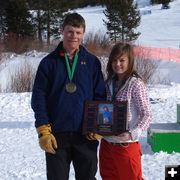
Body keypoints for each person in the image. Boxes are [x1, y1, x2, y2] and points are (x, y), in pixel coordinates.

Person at [31, 12, 106, 180]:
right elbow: (39, 98)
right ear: (62, 31)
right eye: (70, 31)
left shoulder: (92, 62)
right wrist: (43, 130)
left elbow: (100, 95)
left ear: (83, 34)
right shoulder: (48, 63)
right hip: (56, 135)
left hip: (86, 134)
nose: (74, 36)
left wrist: (99, 125)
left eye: (78, 32)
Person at [99, 42, 152, 180]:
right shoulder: (108, 83)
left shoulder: (135, 84)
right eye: (114, 60)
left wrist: (132, 134)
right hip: (107, 144)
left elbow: (146, 114)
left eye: (122, 60)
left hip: (125, 146)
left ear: (130, 61)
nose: (117, 64)